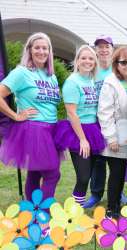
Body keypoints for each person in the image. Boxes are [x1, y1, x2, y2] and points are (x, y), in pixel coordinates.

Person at [0, 32, 61, 200]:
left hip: (52, 129)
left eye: (45, 48)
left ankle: (32, 212)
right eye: (37, 47)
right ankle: (43, 216)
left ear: (49, 51)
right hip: (35, 129)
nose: (41, 51)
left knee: (35, 173)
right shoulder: (22, 72)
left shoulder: (51, 76)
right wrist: (15, 115)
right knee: (52, 174)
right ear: (29, 50)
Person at [54, 45, 105, 206]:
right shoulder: (72, 81)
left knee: (88, 174)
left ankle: (77, 208)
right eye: (83, 58)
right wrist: (82, 139)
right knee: (83, 176)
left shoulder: (91, 80)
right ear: (77, 61)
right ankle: (74, 211)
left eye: (91, 58)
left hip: (93, 129)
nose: (87, 61)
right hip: (78, 131)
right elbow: (71, 113)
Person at [84, 35, 127, 208]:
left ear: (112, 49)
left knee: (117, 160)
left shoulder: (116, 70)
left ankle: (119, 191)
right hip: (94, 120)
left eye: (106, 47)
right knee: (98, 160)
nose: (103, 50)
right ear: (96, 50)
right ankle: (96, 193)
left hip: (113, 121)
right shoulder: (91, 69)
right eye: (99, 47)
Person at [97, 47, 127, 218]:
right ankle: (112, 208)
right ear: (116, 64)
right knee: (117, 173)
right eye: (123, 62)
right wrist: (111, 137)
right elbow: (104, 112)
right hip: (117, 136)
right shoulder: (110, 83)